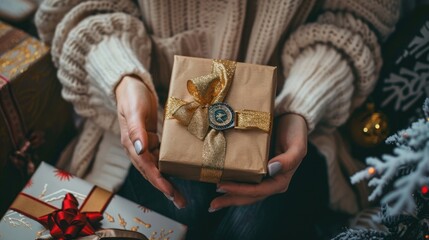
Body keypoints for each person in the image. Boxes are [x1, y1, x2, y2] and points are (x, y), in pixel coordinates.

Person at [35, 0, 400, 239]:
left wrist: (302, 104)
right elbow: (77, 9)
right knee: (180, 204)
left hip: (284, 118)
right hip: (155, 114)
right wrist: (122, 78)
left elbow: (357, 22)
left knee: (250, 223)